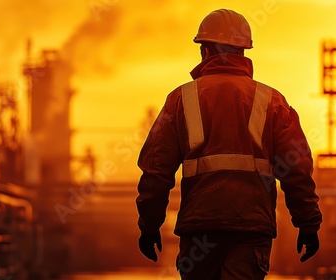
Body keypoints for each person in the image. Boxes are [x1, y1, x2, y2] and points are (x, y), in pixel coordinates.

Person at [136, 9, 322, 280]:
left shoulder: (180, 100)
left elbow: (156, 170)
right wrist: (308, 224)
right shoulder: (272, 101)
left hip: (200, 229)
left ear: (205, 52)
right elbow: (297, 168)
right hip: (250, 229)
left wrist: (149, 226)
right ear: (244, 52)